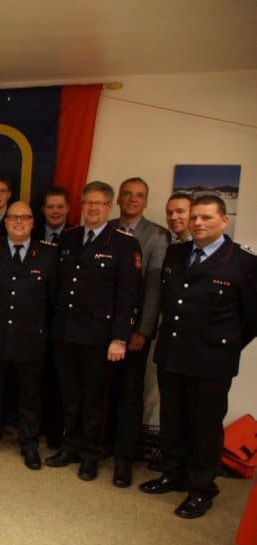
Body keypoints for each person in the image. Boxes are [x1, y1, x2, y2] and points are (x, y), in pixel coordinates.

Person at [140, 194, 257, 519]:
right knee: (172, 420)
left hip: (211, 361)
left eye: (207, 218)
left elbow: (251, 318)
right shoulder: (176, 253)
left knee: (205, 428)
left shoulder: (243, 262)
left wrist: (224, 345)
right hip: (173, 354)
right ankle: (172, 474)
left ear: (224, 221)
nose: (198, 223)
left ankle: (201, 489)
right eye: (194, 217)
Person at [46, 181, 142, 481]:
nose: (92, 208)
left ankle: (91, 454)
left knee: (94, 400)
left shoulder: (124, 244)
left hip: (99, 337)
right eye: (87, 202)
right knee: (70, 396)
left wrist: (119, 337)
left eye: (99, 203)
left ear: (110, 206)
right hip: (65, 332)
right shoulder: (70, 237)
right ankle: (70, 446)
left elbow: (128, 295)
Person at [0, 201, 58, 469]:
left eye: (24, 217)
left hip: (30, 338)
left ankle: (29, 444)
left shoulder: (48, 254)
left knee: (30, 396)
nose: (18, 222)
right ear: (5, 222)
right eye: (13, 218)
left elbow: (52, 300)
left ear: (33, 222)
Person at [107, 177, 171, 488]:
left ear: (145, 201)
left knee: (131, 396)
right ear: (118, 199)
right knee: (102, 391)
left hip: (133, 331)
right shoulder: (106, 228)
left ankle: (124, 459)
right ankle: (100, 447)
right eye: (128, 194)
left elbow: (154, 290)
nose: (133, 199)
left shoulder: (157, 236)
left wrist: (142, 330)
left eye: (139, 195)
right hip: (103, 329)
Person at [31, 186, 74, 448]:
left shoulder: (76, 236)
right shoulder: (31, 234)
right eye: (50, 207)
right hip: (33, 319)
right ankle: (33, 427)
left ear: (68, 208)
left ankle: (56, 432)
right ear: (43, 210)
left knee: (59, 378)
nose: (55, 211)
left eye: (60, 206)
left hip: (64, 319)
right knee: (35, 378)